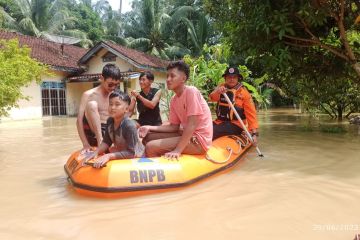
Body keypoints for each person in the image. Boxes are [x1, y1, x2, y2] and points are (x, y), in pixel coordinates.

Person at [138, 61, 213, 160]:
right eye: (167, 76)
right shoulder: (174, 100)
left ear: (183, 78)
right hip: (184, 133)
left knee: (151, 146)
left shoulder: (191, 91)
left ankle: (162, 171)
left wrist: (178, 150)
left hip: (198, 140)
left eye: (172, 76)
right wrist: (149, 127)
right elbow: (173, 127)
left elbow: (192, 124)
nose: (168, 79)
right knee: (148, 138)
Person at [81, 91, 144, 168]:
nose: (112, 107)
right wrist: (95, 153)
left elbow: (132, 153)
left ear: (126, 109)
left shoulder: (129, 125)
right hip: (122, 152)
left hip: (136, 157)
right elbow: (106, 142)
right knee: (111, 149)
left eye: (117, 104)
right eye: (110, 104)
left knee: (111, 152)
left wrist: (108, 156)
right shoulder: (110, 121)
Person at [76, 63, 121, 152]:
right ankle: (100, 142)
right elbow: (79, 121)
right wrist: (85, 144)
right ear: (102, 78)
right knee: (92, 104)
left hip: (110, 130)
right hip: (95, 132)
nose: (113, 87)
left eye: (116, 85)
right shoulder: (88, 94)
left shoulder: (115, 95)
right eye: (110, 84)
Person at [209, 66, 259, 144]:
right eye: (229, 77)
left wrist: (254, 133)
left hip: (236, 125)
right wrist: (218, 92)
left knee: (211, 132)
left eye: (234, 77)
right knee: (203, 128)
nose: (231, 79)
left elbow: (251, 114)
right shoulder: (221, 87)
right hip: (219, 121)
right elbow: (212, 98)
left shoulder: (244, 93)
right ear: (225, 78)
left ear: (238, 78)